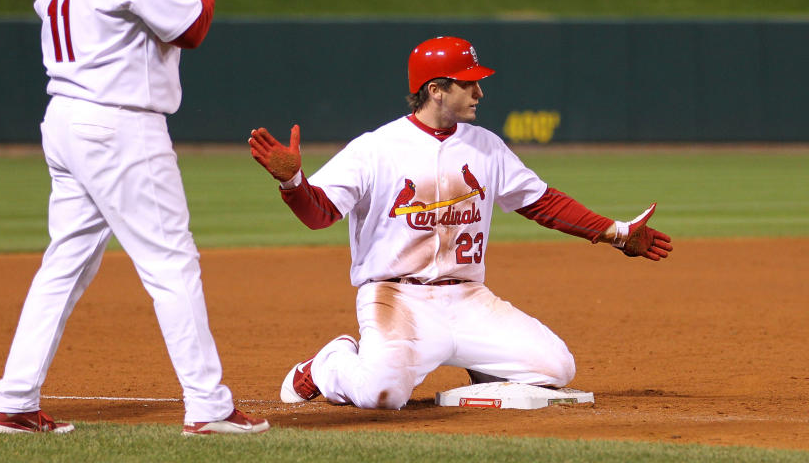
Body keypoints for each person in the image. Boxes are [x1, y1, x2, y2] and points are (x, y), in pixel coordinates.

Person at [0, 0, 268, 436]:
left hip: (65, 118)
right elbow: (191, 29)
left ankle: (12, 400)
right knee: (171, 263)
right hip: (119, 125)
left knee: (64, 264)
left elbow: (139, 23)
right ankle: (210, 407)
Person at [249, 35, 673, 410]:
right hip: (398, 299)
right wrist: (293, 181)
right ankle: (329, 364)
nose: (479, 92)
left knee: (555, 367)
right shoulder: (375, 148)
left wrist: (617, 233)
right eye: (467, 83)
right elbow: (319, 214)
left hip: (470, 300)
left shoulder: (485, 146)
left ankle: (477, 361)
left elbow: (542, 202)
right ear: (435, 90)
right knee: (383, 395)